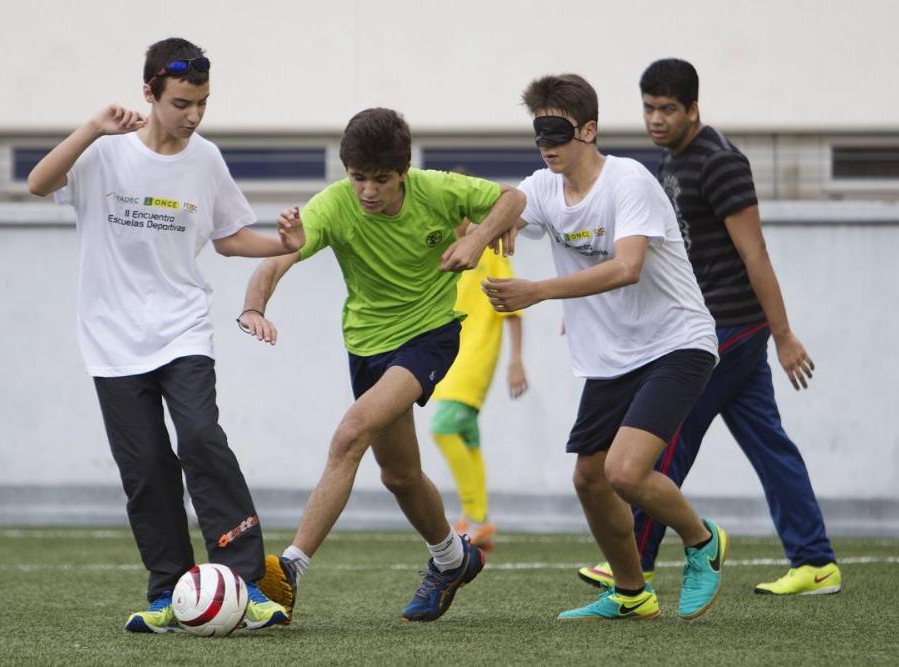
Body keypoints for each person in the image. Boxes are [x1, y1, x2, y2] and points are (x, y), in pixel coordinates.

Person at [26, 38, 298, 633]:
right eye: (181, 103)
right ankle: (167, 592)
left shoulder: (206, 159)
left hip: (182, 330)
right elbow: (38, 184)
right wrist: (92, 128)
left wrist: (284, 244)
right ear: (149, 93)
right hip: (111, 342)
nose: (194, 115)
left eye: (202, 103)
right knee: (147, 468)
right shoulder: (103, 152)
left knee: (200, 437)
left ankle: (246, 582)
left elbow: (229, 238)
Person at [238, 107, 525, 622]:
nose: (368, 191)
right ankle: (452, 559)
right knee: (399, 475)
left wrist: (477, 236)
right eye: (358, 178)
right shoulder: (334, 205)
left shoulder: (438, 190)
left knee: (350, 433)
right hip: (366, 346)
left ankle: (290, 570)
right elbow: (277, 259)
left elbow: (513, 198)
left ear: (404, 173)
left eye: (380, 180)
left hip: (429, 337)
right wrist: (254, 307)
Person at [578, 58, 840, 596]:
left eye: (668, 109)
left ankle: (637, 560)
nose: (656, 119)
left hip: (728, 326)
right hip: (704, 321)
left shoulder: (720, 163)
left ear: (693, 109)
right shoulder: (671, 159)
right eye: (649, 108)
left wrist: (783, 334)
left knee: (663, 438)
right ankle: (816, 562)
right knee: (769, 445)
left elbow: (755, 250)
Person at [483, 74, 726, 621]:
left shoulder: (628, 181)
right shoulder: (544, 186)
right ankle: (631, 593)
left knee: (624, 471)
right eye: (538, 133)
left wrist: (540, 291)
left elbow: (627, 267)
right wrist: (478, 232)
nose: (546, 145)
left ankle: (702, 540)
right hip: (611, 357)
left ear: (588, 130)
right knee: (590, 479)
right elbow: (501, 208)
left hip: (676, 343)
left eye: (556, 132)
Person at [430, 245, 528, 550]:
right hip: (447, 355)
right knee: (468, 436)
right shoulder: (442, 246)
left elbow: (512, 309)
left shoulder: (491, 253)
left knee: (443, 428)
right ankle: (479, 519)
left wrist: (516, 360)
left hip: (476, 356)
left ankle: (473, 515)